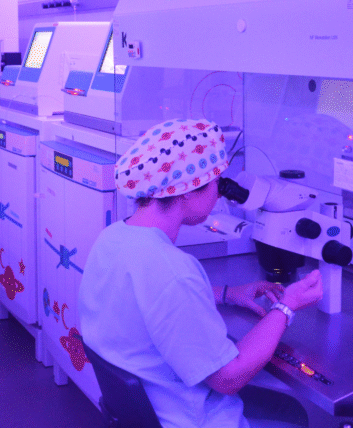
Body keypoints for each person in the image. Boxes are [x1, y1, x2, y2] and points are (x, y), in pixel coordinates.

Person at [78, 118, 323, 428]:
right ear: (187, 191)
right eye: (216, 182)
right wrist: (287, 306)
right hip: (189, 419)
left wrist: (228, 294)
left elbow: (147, 299)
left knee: (284, 407)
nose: (220, 193)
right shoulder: (173, 270)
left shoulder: (112, 238)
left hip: (150, 407)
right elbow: (229, 378)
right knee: (295, 415)